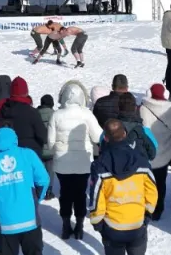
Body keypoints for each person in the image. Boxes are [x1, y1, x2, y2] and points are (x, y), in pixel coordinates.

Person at [0, 127, 51, 255]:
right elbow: (43, 180)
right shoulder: (28, 154)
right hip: (30, 220)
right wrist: (36, 198)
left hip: (6, 224)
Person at [89, 119, 158, 255]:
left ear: (106, 138)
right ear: (125, 134)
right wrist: (148, 212)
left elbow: (96, 198)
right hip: (137, 224)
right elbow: (152, 190)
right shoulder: (142, 160)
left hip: (112, 227)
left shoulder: (99, 166)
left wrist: (97, 223)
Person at [49, 80, 103, 240]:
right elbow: (97, 137)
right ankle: (79, 226)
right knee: (80, 193)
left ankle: (66, 225)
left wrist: (57, 150)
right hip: (83, 163)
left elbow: (50, 142)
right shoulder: (87, 115)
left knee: (65, 193)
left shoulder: (56, 115)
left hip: (62, 163)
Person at [139, 83, 171, 222]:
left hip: (151, 152)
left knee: (153, 183)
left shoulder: (143, 108)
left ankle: (152, 209)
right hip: (169, 150)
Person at [0, 77, 48, 159]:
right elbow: (43, 136)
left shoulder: (1, 110)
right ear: (26, 92)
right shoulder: (32, 112)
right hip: (30, 156)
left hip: (8, 157)